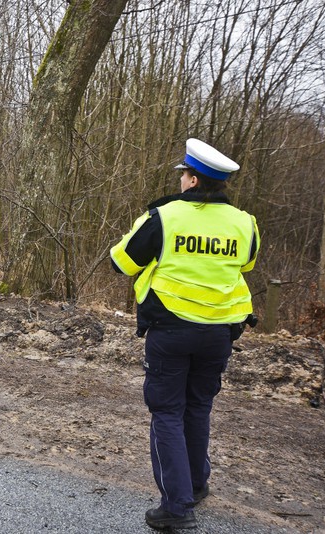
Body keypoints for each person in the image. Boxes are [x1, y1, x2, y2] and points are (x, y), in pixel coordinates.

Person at [110, 138, 260, 530]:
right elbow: (248, 260)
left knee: (167, 412)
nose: (179, 182)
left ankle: (177, 508)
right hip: (219, 334)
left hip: (172, 329)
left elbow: (121, 262)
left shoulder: (166, 217)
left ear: (193, 181)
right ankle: (195, 483)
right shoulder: (244, 222)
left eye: (183, 176)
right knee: (198, 407)